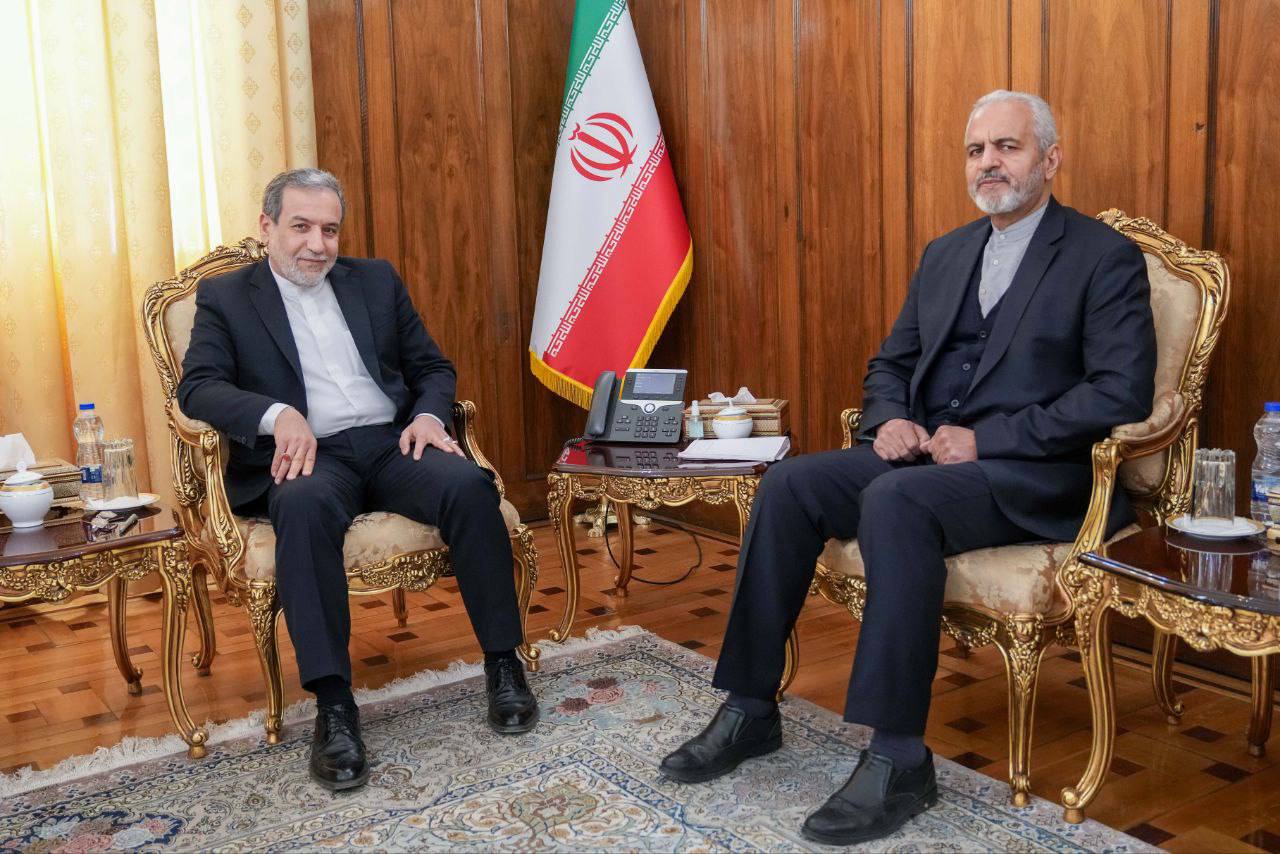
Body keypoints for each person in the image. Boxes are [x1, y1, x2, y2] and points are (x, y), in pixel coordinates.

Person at [660, 90, 1156, 845]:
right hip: (925, 458)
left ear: (1051, 159)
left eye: (1008, 146)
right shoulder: (945, 253)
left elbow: (1119, 391)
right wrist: (889, 417)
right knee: (790, 484)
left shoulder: (1102, 256)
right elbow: (890, 362)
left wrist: (988, 440)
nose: (989, 163)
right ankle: (750, 707)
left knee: (898, 502)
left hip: (1032, 475)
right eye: (976, 150)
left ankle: (898, 758)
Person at [178, 168, 537, 791]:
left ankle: (504, 665)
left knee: (470, 486)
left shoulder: (374, 279)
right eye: (301, 227)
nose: (316, 244)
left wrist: (428, 415)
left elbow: (432, 367)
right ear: (266, 226)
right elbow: (198, 387)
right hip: (309, 455)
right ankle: (335, 707)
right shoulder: (227, 297)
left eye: (329, 230)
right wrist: (278, 415)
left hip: (391, 442)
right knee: (303, 508)